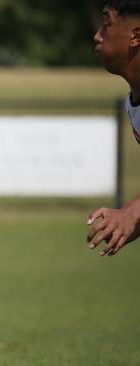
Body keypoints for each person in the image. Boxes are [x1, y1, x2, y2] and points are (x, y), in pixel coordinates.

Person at [88, 0, 140, 255]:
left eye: (107, 25)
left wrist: (133, 211)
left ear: (136, 37)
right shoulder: (134, 102)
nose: (98, 35)